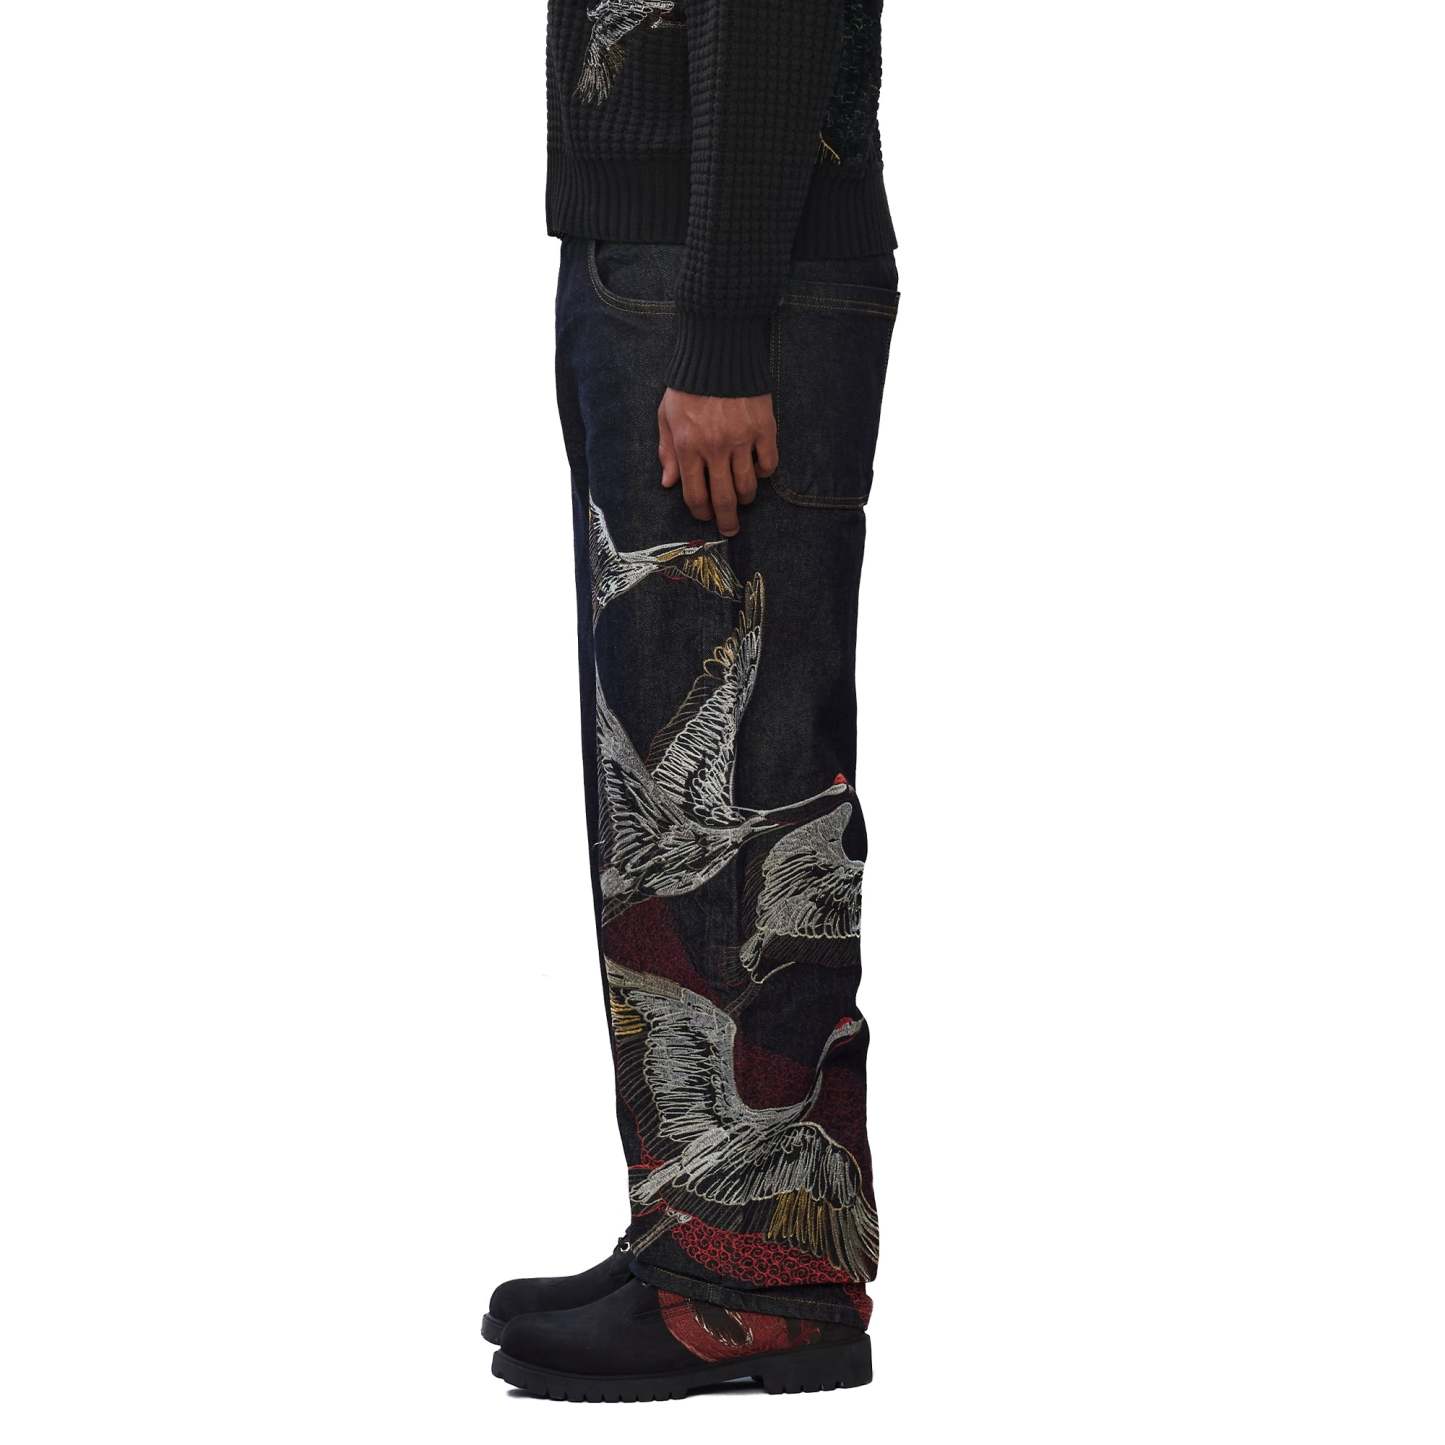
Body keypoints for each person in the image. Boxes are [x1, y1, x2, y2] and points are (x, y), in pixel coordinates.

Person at [485, 1, 898, 1401]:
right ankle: (701, 1223)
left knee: (731, 796)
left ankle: (755, 1281)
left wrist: (720, 330)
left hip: (727, 277)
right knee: (661, 776)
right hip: (678, 259)